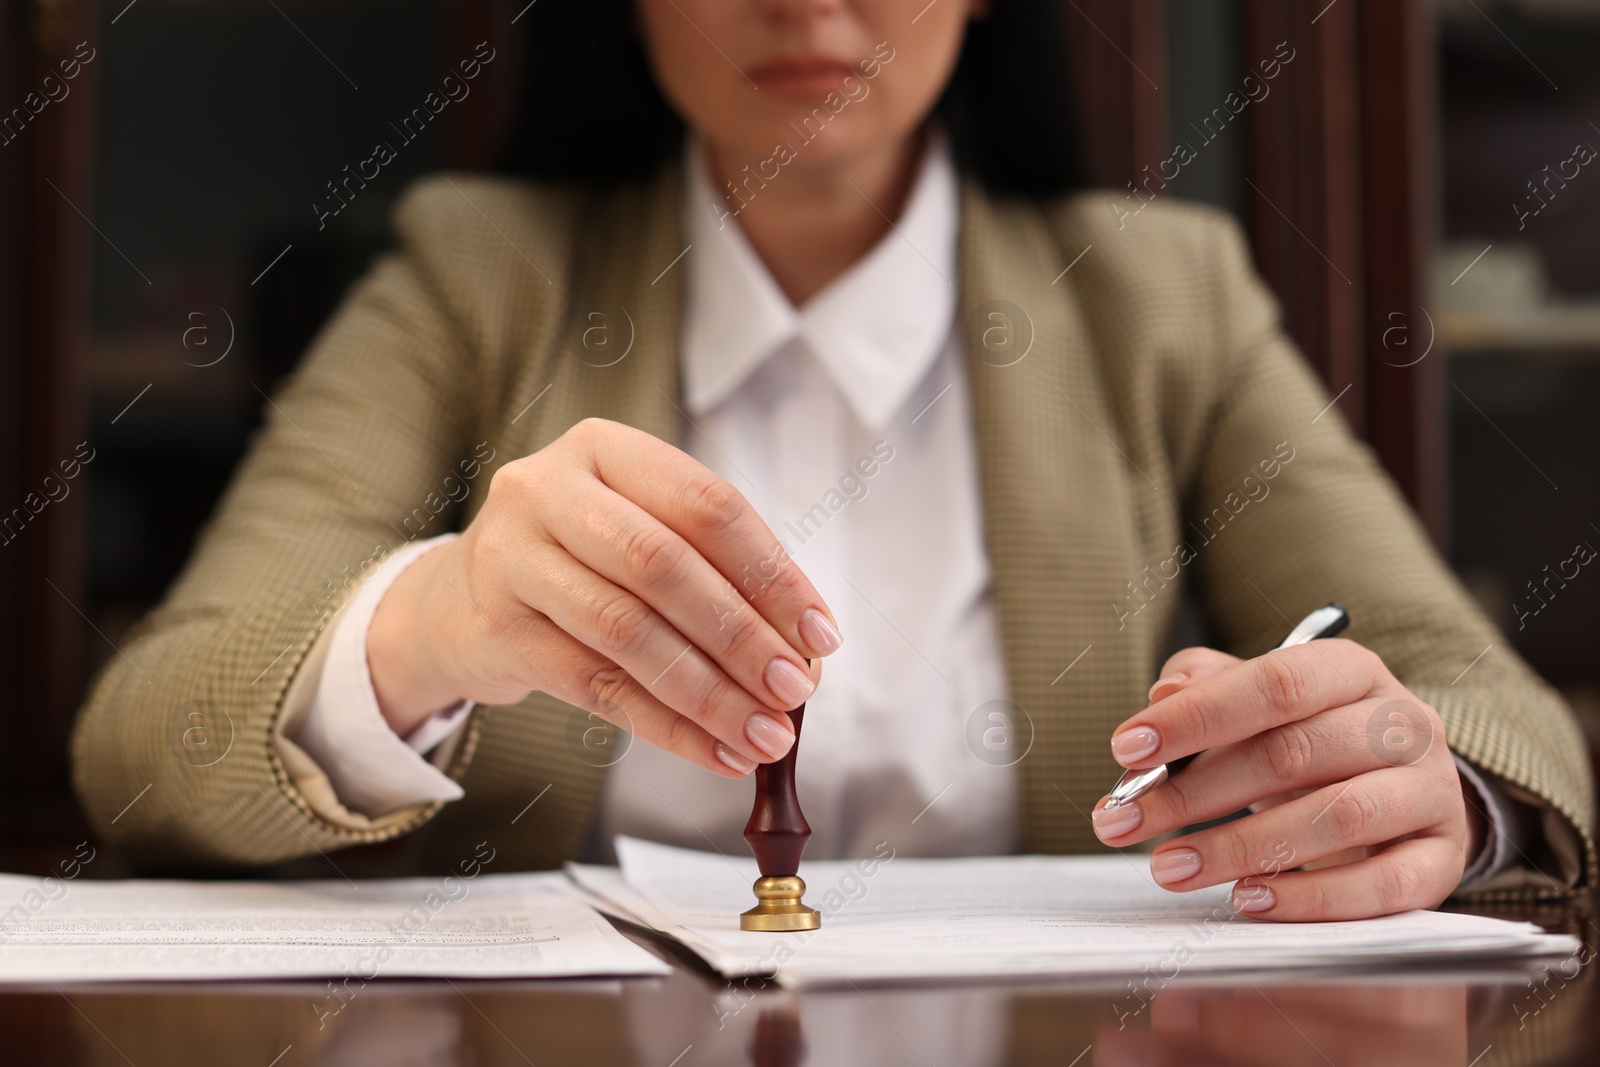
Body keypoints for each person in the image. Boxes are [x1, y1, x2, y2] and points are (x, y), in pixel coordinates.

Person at [72, 0, 1593, 920]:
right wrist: (432, 624)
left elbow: (1503, 717)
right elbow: (145, 744)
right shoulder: (474, 278)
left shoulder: (1161, 294)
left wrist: (1441, 800)